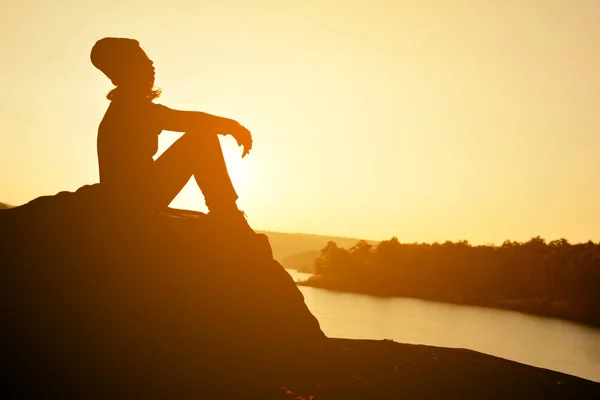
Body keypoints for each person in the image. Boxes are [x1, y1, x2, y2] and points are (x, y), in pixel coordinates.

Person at [90, 37, 253, 230]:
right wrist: (232, 126)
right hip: (136, 202)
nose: (151, 64)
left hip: (136, 197)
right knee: (202, 139)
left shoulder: (127, 107)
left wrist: (230, 127)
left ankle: (226, 212)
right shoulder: (129, 109)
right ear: (124, 72)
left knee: (201, 137)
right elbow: (190, 120)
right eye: (141, 60)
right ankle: (226, 213)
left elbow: (184, 119)